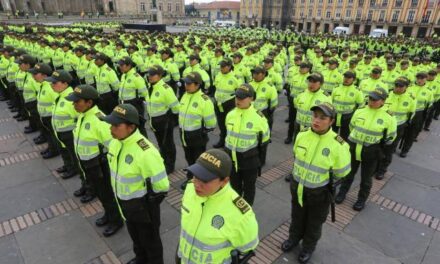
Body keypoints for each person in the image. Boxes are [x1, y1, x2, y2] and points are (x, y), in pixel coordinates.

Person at [281, 103, 351, 264]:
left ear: (331, 121)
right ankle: (293, 239)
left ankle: (308, 248)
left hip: (320, 193)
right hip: (298, 187)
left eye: (322, 118)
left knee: (314, 223)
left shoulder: (339, 145)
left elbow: (343, 172)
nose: (316, 120)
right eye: (315, 116)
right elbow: (296, 157)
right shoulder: (302, 135)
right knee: (297, 216)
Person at [101, 104, 169, 264]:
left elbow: (162, 186)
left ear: (131, 127)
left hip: (143, 209)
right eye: (111, 124)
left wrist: (146, 205)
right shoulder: (116, 142)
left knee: (151, 243)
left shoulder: (146, 152)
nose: (111, 128)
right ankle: (140, 259)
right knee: (136, 239)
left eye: (116, 125)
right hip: (124, 204)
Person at [177, 149, 259, 264]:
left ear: (224, 181)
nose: (196, 184)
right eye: (196, 176)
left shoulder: (241, 215)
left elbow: (247, 249)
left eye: (204, 180)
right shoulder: (190, 189)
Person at [66, 85, 123, 234]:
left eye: (77, 102)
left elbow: (113, 145)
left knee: (107, 193)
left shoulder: (99, 120)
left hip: (100, 165)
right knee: (100, 192)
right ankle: (108, 214)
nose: (74, 104)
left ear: (89, 103)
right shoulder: (84, 115)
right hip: (89, 163)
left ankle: (116, 220)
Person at [335, 88, 397, 211]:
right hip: (354, 148)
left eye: (375, 99)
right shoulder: (360, 111)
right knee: (348, 174)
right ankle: (342, 193)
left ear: (383, 101)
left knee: (366, 178)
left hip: (371, 152)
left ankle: (361, 199)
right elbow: (352, 127)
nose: (372, 101)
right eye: (370, 98)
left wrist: (375, 146)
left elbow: (391, 137)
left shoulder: (389, 117)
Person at [224, 84, 270, 205]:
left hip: (250, 162)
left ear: (251, 99)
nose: (238, 100)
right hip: (232, 160)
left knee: (249, 189)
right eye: (236, 97)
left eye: (242, 98)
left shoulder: (259, 118)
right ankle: (235, 209)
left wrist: (259, 162)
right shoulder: (230, 115)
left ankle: (247, 212)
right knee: (234, 188)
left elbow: (264, 142)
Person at [178, 72, 217, 189]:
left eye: (189, 83)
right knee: (189, 158)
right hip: (184, 134)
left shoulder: (204, 101)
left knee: (198, 161)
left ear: (197, 85)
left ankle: (199, 181)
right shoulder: (185, 95)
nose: (186, 85)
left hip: (197, 136)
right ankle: (190, 179)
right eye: (186, 83)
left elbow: (211, 123)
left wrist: (202, 132)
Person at [45, 70, 82, 179]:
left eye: (55, 83)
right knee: (64, 150)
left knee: (73, 155)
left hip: (70, 133)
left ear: (65, 83)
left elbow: (80, 117)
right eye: (51, 83)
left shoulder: (71, 99)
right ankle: (68, 165)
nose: (52, 85)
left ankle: (75, 170)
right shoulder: (60, 95)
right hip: (60, 131)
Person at [376, 78, 416, 179]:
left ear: (406, 87)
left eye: (401, 86)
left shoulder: (411, 98)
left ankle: (382, 170)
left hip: (398, 126)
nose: (398, 88)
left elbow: (411, 112)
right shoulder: (386, 95)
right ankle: (375, 167)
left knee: (390, 149)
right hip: (382, 125)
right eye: (396, 85)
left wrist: (406, 123)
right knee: (378, 147)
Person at [145, 65, 180, 174]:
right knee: (161, 144)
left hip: (164, 122)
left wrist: (171, 120)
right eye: (149, 74)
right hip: (154, 121)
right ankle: (164, 161)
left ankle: (170, 165)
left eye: (153, 75)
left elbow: (176, 107)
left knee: (168, 144)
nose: (150, 77)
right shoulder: (151, 87)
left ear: (160, 75)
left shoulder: (165, 89)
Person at [30, 63, 60, 159]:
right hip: (44, 116)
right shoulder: (43, 84)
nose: (33, 76)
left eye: (36, 74)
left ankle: (54, 150)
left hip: (50, 116)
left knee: (52, 134)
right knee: (48, 134)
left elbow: (57, 104)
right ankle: (51, 147)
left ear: (44, 75)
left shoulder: (50, 88)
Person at [212, 58, 240, 148]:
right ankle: (222, 139)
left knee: (230, 123)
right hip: (219, 103)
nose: (221, 68)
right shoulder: (218, 75)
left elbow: (239, 92)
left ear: (229, 67)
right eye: (221, 66)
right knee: (220, 123)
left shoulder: (235, 78)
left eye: (223, 66)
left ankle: (229, 142)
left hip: (229, 103)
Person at [118, 56, 148, 137]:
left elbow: (144, 93)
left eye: (122, 65)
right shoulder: (124, 75)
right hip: (123, 104)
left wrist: (137, 100)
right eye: (119, 65)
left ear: (129, 66)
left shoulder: (136, 77)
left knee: (139, 127)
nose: (120, 67)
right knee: (127, 127)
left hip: (134, 105)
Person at [331, 71, 364, 140]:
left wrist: (355, 115)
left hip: (348, 117)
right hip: (335, 115)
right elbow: (331, 101)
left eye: (349, 78)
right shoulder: (336, 88)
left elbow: (361, 104)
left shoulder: (356, 90)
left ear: (354, 80)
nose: (346, 79)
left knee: (345, 136)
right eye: (345, 77)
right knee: (332, 134)